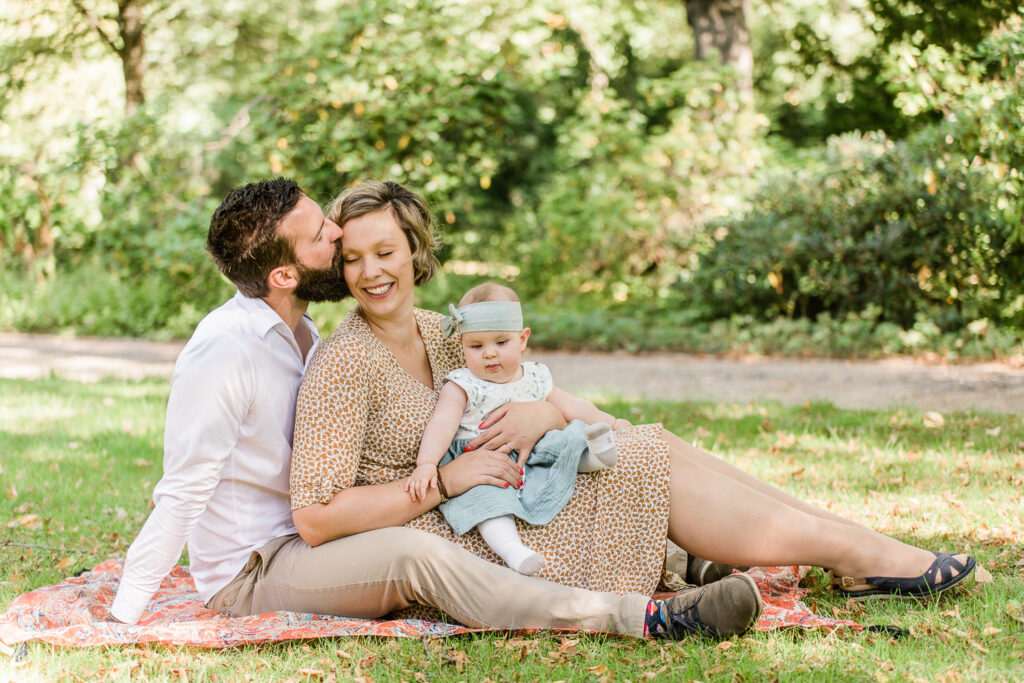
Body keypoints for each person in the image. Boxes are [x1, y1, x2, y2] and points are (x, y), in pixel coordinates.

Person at [107, 177, 763, 642]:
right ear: (283, 274)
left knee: (510, 488)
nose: (336, 232)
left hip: (323, 535)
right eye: (321, 234)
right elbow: (183, 490)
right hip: (258, 568)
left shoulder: (300, 329)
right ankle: (638, 618)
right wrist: (122, 614)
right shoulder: (224, 352)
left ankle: (677, 558)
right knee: (413, 550)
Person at [289, 179, 976, 608]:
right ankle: (857, 557)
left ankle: (857, 543)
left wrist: (546, 412)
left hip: (524, 486)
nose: (371, 272)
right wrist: (446, 478)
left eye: (386, 251)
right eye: (353, 258)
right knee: (641, 461)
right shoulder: (344, 363)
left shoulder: (446, 331)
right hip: (465, 530)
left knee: (649, 441)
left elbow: (532, 388)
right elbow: (315, 518)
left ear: (414, 250)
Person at [407, 282, 624, 576]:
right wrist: (426, 464)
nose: (489, 354)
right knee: (485, 499)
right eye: (476, 346)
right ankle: (513, 550)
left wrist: (610, 421)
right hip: (484, 460)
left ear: (522, 339)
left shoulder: (535, 376)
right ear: (462, 345)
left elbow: (571, 404)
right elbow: (442, 423)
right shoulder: (462, 384)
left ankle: (594, 456)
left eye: (501, 342)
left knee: (566, 436)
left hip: (535, 449)